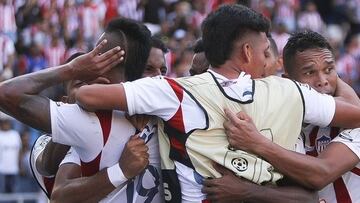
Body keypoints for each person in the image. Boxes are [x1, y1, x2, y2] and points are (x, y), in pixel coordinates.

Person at [74, 5, 360, 202]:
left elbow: (86, 96)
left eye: (328, 71)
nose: (268, 61)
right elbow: (355, 115)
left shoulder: (172, 91)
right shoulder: (290, 92)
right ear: (248, 52)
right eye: (264, 52)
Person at [0, 17, 167, 202]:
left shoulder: (165, 111)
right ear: (64, 100)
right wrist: (119, 171)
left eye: (162, 70)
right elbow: (54, 182)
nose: (88, 89)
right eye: (81, 83)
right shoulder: (83, 122)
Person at [220, 31, 360, 203]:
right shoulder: (280, 121)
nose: (322, 80)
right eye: (309, 73)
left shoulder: (354, 124)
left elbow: (321, 174)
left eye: (329, 70)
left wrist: (256, 143)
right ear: (288, 82)